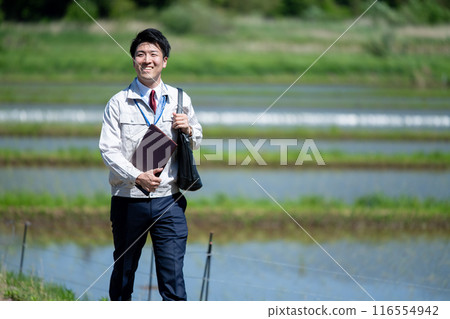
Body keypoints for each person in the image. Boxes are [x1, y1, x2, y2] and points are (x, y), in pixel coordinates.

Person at [99, 28, 202, 301]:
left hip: (169, 200)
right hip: (128, 199)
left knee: (173, 281)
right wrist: (137, 177)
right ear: (133, 60)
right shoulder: (118, 102)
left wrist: (189, 130)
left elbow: (198, 138)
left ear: (164, 60)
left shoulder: (181, 99)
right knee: (124, 275)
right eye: (140, 54)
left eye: (154, 54)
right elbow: (108, 150)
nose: (147, 60)